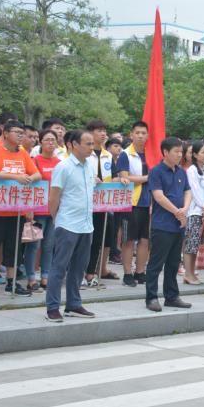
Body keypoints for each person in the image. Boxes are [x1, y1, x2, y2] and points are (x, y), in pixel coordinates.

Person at [0, 119, 42, 298]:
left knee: (13, 247)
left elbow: (36, 173)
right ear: (5, 133)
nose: (20, 135)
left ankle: (11, 282)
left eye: (22, 133)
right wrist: (14, 177)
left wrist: (30, 179)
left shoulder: (23, 153)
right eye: (17, 132)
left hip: (17, 209)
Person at [45, 130, 97, 322]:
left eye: (93, 144)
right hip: (67, 224)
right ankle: (52, 307)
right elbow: (54, 197)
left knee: (79, 267)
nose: (92, 147)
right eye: (88, 144)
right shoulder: (63, 167)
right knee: (59, 266)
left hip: (86, 224)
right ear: (73, 145)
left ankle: (73, 304)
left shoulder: (91, 165)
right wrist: (56, 219)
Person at [142, 137, 192, 312]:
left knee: (173, 262)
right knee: (156, 263)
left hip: (179, 224)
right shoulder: (156, 171)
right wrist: (176, 212)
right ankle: (152, 297)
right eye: (176, 152)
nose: (180, 155)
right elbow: (158, 196)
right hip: (162, 224)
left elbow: (188, 191)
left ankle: (171, 296)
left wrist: (184, 209)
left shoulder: (181, 172)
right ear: (165, 152)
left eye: (181, 152)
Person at [115, 121, 151, 288]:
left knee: (145, 240)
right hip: (131, 202)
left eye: (144, 133)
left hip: (149, 202)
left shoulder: (152, 154)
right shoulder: (125, 154)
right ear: (131, 134)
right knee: (128, 239)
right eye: (137, 133)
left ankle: (140, 271)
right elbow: (125, 177)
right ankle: (128, 273)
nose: (141, 136)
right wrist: (145, 179)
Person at [28, 129, 62, 292]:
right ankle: (30, 278)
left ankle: (45, 276)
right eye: (47, 139)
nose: (50, 143)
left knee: (49, 245)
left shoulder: (60, 163)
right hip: (37, 210)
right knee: (34, 245)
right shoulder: (34, 161)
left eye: (53, 140)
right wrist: (29, 209)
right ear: (40, 142)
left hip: (53, 211)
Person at [84, 120, 116, 286]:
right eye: (99, 131)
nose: (103, 134)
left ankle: (90, 273)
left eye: (105, 131)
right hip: (84, 202)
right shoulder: (83, 153)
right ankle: (79, 272)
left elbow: (113, 175)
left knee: (97, 239)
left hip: (102, 203)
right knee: (83, 239)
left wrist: (120, 180)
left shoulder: (108, 155)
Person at [183, 140, 204, 284]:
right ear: (195, 154)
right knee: (191, 243)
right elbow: (194, 191)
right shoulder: (191, 170)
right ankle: (188, 274)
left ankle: (192, 273)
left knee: (199, 244)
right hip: (195, 211)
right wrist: (203, 207)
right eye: (203, 152)